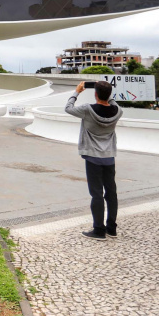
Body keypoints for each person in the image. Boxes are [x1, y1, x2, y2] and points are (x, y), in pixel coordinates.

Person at [65, 81, 123, 241]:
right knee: (111, 193)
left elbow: (68, 108)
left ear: (95, 94)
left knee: (96, 194)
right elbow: (112, 102)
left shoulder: (87, 109)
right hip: (109, 157)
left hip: (92, 157)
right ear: (109, 95)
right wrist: (106, 93)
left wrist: (76, 92)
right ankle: (111, 228)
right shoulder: (118, 111)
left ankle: (98, 230)